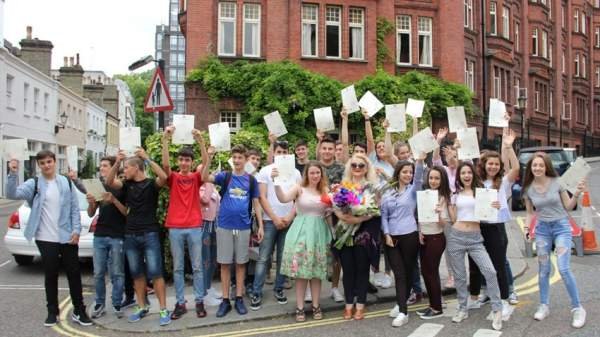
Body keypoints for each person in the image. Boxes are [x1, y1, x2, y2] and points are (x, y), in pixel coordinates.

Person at [6, 152, 92, 327]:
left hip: (67, 236)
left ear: (54, 163)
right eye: (43, 163)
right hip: (45, 238)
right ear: (39, 165)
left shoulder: (65, 182)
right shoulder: (35, 183)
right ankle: (52, 312)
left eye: (49, 162)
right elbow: (13, 194)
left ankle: (79, 310)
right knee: (50, 275)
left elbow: (75, 208)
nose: (46, 165)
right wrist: (13, 173)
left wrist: (76, 230)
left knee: (74, 274)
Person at [106, 147, 171, 326]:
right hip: (130, 234)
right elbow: (109, 181)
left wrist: (147, 158)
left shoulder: (151, 184)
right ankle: (142, 307)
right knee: (137, 274)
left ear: (136, 168)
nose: (124, 171)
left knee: (156, 273)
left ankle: (163, 308)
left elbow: (164, 177)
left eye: (126, 168)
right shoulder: (126, 185)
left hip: (149, 233)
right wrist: (118, 162)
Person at [522, 152, 586, 328]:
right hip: (542, 230)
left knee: (564, 268)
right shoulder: (528, 188)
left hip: (561, 228)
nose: (537, 168)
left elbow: (568, 206)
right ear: (531, 168)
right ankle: (544, 305)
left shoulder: (557, 183)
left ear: (546, 167)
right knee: (543, 269)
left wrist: (577, 193)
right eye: (534, 165)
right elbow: (529, 212)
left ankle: (577, 308)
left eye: (541, 165)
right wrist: (527, 229)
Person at [200, 144, 264, 318]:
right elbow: (204, 176)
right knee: (225, 264)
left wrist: (261, 225)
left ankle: (239, 298)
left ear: (245, 159)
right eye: (234, 157)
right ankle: (226, 300)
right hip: (225, 226)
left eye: (240, 158)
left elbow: (256, 203)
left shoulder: (251, 180)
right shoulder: (225, 176)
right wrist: (210, 157)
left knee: (242, 263)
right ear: (232, 159)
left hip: (243, 227)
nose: (237, 161)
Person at [468, 128, 519, 319]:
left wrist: (508, 147)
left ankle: (504, 299)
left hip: (496, 228)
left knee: (497, 264)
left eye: (496, 164)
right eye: (490, 164)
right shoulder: (478, 182)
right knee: (481, 265)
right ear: (484, 164)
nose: (493, 167)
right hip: (479, 227)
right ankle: (487, 294)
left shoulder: (503, 182)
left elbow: (515, 168)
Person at [273, 161, 333, 322]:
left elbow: (328, 214)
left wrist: (333, 233)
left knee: (316, 273)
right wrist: (276, 182)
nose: (315, 176)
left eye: (318, 173)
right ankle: (299, 307)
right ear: (307, 174)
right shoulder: (299, 188)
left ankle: (316, 305)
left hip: (319, 233)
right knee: (301, 273)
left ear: (321, 175)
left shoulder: (326, 191)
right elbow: (283, 198)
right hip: (300, 233)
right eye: (312, 173)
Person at [447, 162, 503, 331]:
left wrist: (496, 207)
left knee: (490, 271)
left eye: (469, 172)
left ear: (473, 175)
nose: (466, 175)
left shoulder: (482, 193)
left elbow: (489, 215)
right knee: (460, 276)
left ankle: (497, 309)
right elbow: (453, 219)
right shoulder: (454, 195)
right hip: (456, 236)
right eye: (463, 173)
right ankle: (462, 308)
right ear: (459, 176)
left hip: (475, 238)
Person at [161, 127, 208, 319]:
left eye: (187, 160)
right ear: (178, 161)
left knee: (197, 267)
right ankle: (180, 303)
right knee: (178, 268)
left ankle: (199, 301)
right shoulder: (173, 178)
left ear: (191, 162)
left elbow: (205, 163)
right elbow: (164, 167)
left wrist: (200, 141)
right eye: (181, 159)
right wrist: (165, 140)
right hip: (175, 227)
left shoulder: (197, 178)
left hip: (194, 225)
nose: (184, 163)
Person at [250, 140, 301, 310]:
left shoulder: (295, 173)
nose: (282, 155)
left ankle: (279, 288)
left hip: (288, 220)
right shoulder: (265, 171)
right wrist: (274, 218)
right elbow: (262, 197)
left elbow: (298, 198)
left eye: (285, 152)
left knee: (283, 257)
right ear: (274, 153)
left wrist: (288, 216)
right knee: (264, 258)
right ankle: (256, 291)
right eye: (279, 152)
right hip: (269, 220)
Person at [380, 154, 425, 327]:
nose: (408, 175)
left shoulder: (413, 190)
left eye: (410, 172)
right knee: (399, 274)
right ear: (398, 173)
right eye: (405, 172)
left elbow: (420, 178)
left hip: (409, 236)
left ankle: (402, 309)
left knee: (406, 272)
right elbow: (384, 215)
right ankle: (402, 306)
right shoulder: (388, 191)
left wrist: (419, 161)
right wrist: (387, 234)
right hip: (391, 237)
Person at [334, 154, 379, 320]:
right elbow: (337, 208)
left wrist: (358, 218)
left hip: (364, 234)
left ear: (367, 168)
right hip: (345, 234)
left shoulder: (372, 188)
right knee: (348, 271)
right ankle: (348, 305)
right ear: (349, 167)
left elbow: (375, 210)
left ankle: (360, 305)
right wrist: (345, 217)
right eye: (354, 165)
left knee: (362, 270)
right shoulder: (343, 187)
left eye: (361, 165)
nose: (358, 168)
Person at [86, 156, 128, 319]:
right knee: (98, 272)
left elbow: (126, 213)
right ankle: (99, 303)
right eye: (101, 166)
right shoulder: (99, 186)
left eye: (105, 166)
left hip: (117, 234)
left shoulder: (122, 187)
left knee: (117, 272)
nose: (101, 168)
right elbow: (91, 213)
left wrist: (114, 200)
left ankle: (117, 303)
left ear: (113, 168)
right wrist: (90, 203)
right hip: (100, 235)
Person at [417, 166, 452, 319]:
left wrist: (438, 214)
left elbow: (445, 224)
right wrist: (419, 231)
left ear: (442, 180)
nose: (433, 181)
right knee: (427, 272)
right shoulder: (425, 195)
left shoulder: (444, 197)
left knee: (430, 273)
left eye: (437, 178)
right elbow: (420, 217)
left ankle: (437, 308)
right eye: (431, 178)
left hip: (436, 238)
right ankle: (433, 304)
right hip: (424, 237)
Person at [317, 134, 345, 303]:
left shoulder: (341, 169)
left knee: (336, 255)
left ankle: (335, 288)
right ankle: (312, 290)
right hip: (316, 216)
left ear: (335, 151)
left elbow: (345, 192)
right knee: (316, 253)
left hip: (336, 217)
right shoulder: (314, 167)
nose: (327, 151)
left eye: (330, 149)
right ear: (320, 150)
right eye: (324, 148)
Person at [197, 159, 222, 307]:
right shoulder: (200, 187)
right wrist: (209, 183)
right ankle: (203, 293)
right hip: (203, 225)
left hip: (214, 224)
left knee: (213, 259)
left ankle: (208, 287)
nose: (205, 173)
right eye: (201, 171)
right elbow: (205, 200)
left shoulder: (210, 186)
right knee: (204, 260)